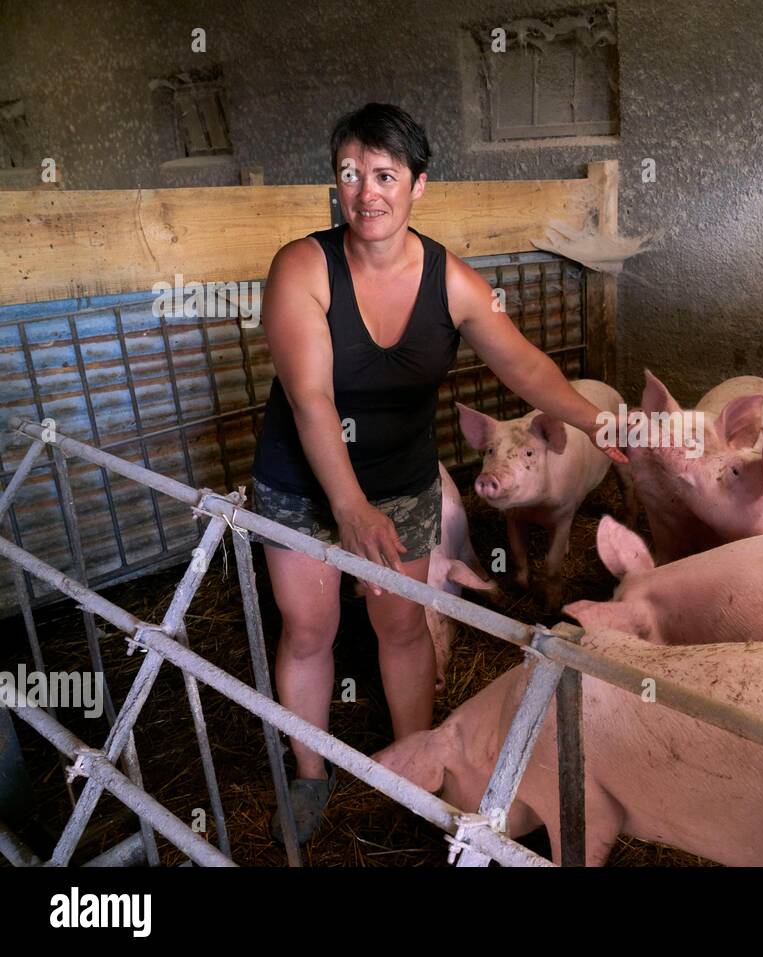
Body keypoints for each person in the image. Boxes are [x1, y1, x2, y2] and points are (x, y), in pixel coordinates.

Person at [248, 102, 625, 843]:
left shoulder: (449, 280)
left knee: (401, 622)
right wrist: (349, 504)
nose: (367, 193)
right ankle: (311, 773)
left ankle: (411, 763)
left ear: (418, 184)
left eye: (386, 175)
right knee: (309, 627)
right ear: (336, 183)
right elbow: (312, 397)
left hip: (401, 480)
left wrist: (594, 420)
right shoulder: (302, 266)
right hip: (298, 481)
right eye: (351, 174)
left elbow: (521, 364)